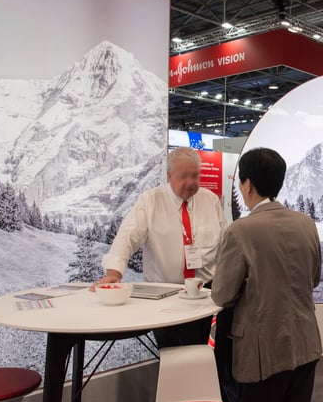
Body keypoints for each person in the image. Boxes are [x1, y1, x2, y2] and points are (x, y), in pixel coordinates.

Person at [211, 148, 322, 402]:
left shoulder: (241, 231)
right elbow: (314, 278)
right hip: (305, 342)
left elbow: (222, 294)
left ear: (247, 185)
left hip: (263, 352)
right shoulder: (306, 224)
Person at [95, 146, 226, 345]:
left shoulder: (210, 200)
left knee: (201, 351)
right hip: (165, 295)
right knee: (171, 353)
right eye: (184, 176)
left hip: (204, 294)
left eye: (195, 176)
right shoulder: (150, 201)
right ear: (169, 176)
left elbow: (225, 242)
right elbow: (127, 237)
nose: (191, 182)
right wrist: (114, 272)